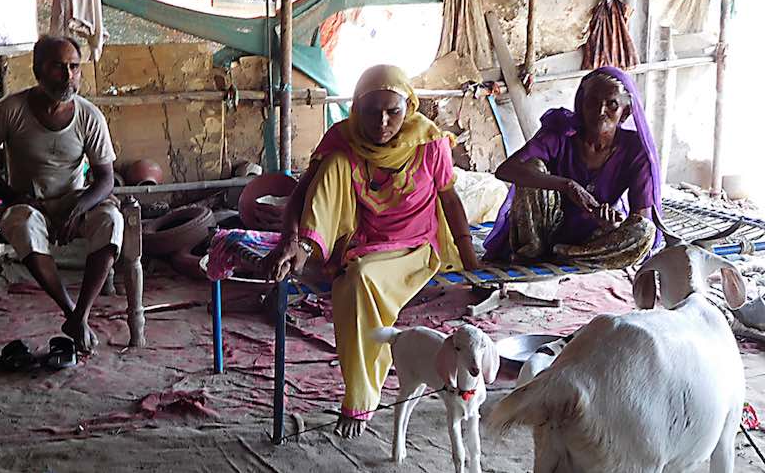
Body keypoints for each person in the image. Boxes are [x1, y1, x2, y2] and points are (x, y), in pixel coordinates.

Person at [265, 65, 480, 439]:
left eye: (392, 112)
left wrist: (469, 256)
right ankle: (308, 248)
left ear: (407, 108)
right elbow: (303, 191)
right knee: (334, 167)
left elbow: (449, 197)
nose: (382, 122)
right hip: (360, 240)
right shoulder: (343, 138)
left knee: (357, 280)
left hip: (413, 246)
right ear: (356, 109)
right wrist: (291, 237)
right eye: (370, 111)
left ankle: (362, 395)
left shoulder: (429, 144)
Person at [0, 35, 121, 354]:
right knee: (22, 225)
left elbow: (105, 179)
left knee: (111, 219)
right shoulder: (10, 110)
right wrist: (11, 196)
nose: (68, 76)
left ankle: (81, 314)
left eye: (74, 67)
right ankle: (70, 311)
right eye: (57, 67)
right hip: (29, 204)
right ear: (38, 70)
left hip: (73, 200)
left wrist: (79, 207)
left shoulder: (89, 116)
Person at [483, 66, 659, 267]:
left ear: (625, 112)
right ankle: (534, 252)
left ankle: (568, 255)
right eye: (592, 102)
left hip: (594, 237)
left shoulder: (635, 150)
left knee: (645, 231)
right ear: (581, 105)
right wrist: (567, 185)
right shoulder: (561, 133)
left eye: (611, 104)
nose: (600, 111)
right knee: (532, 168)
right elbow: (506, 170)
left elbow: (640, 217)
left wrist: (613, 225)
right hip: (546, 229)